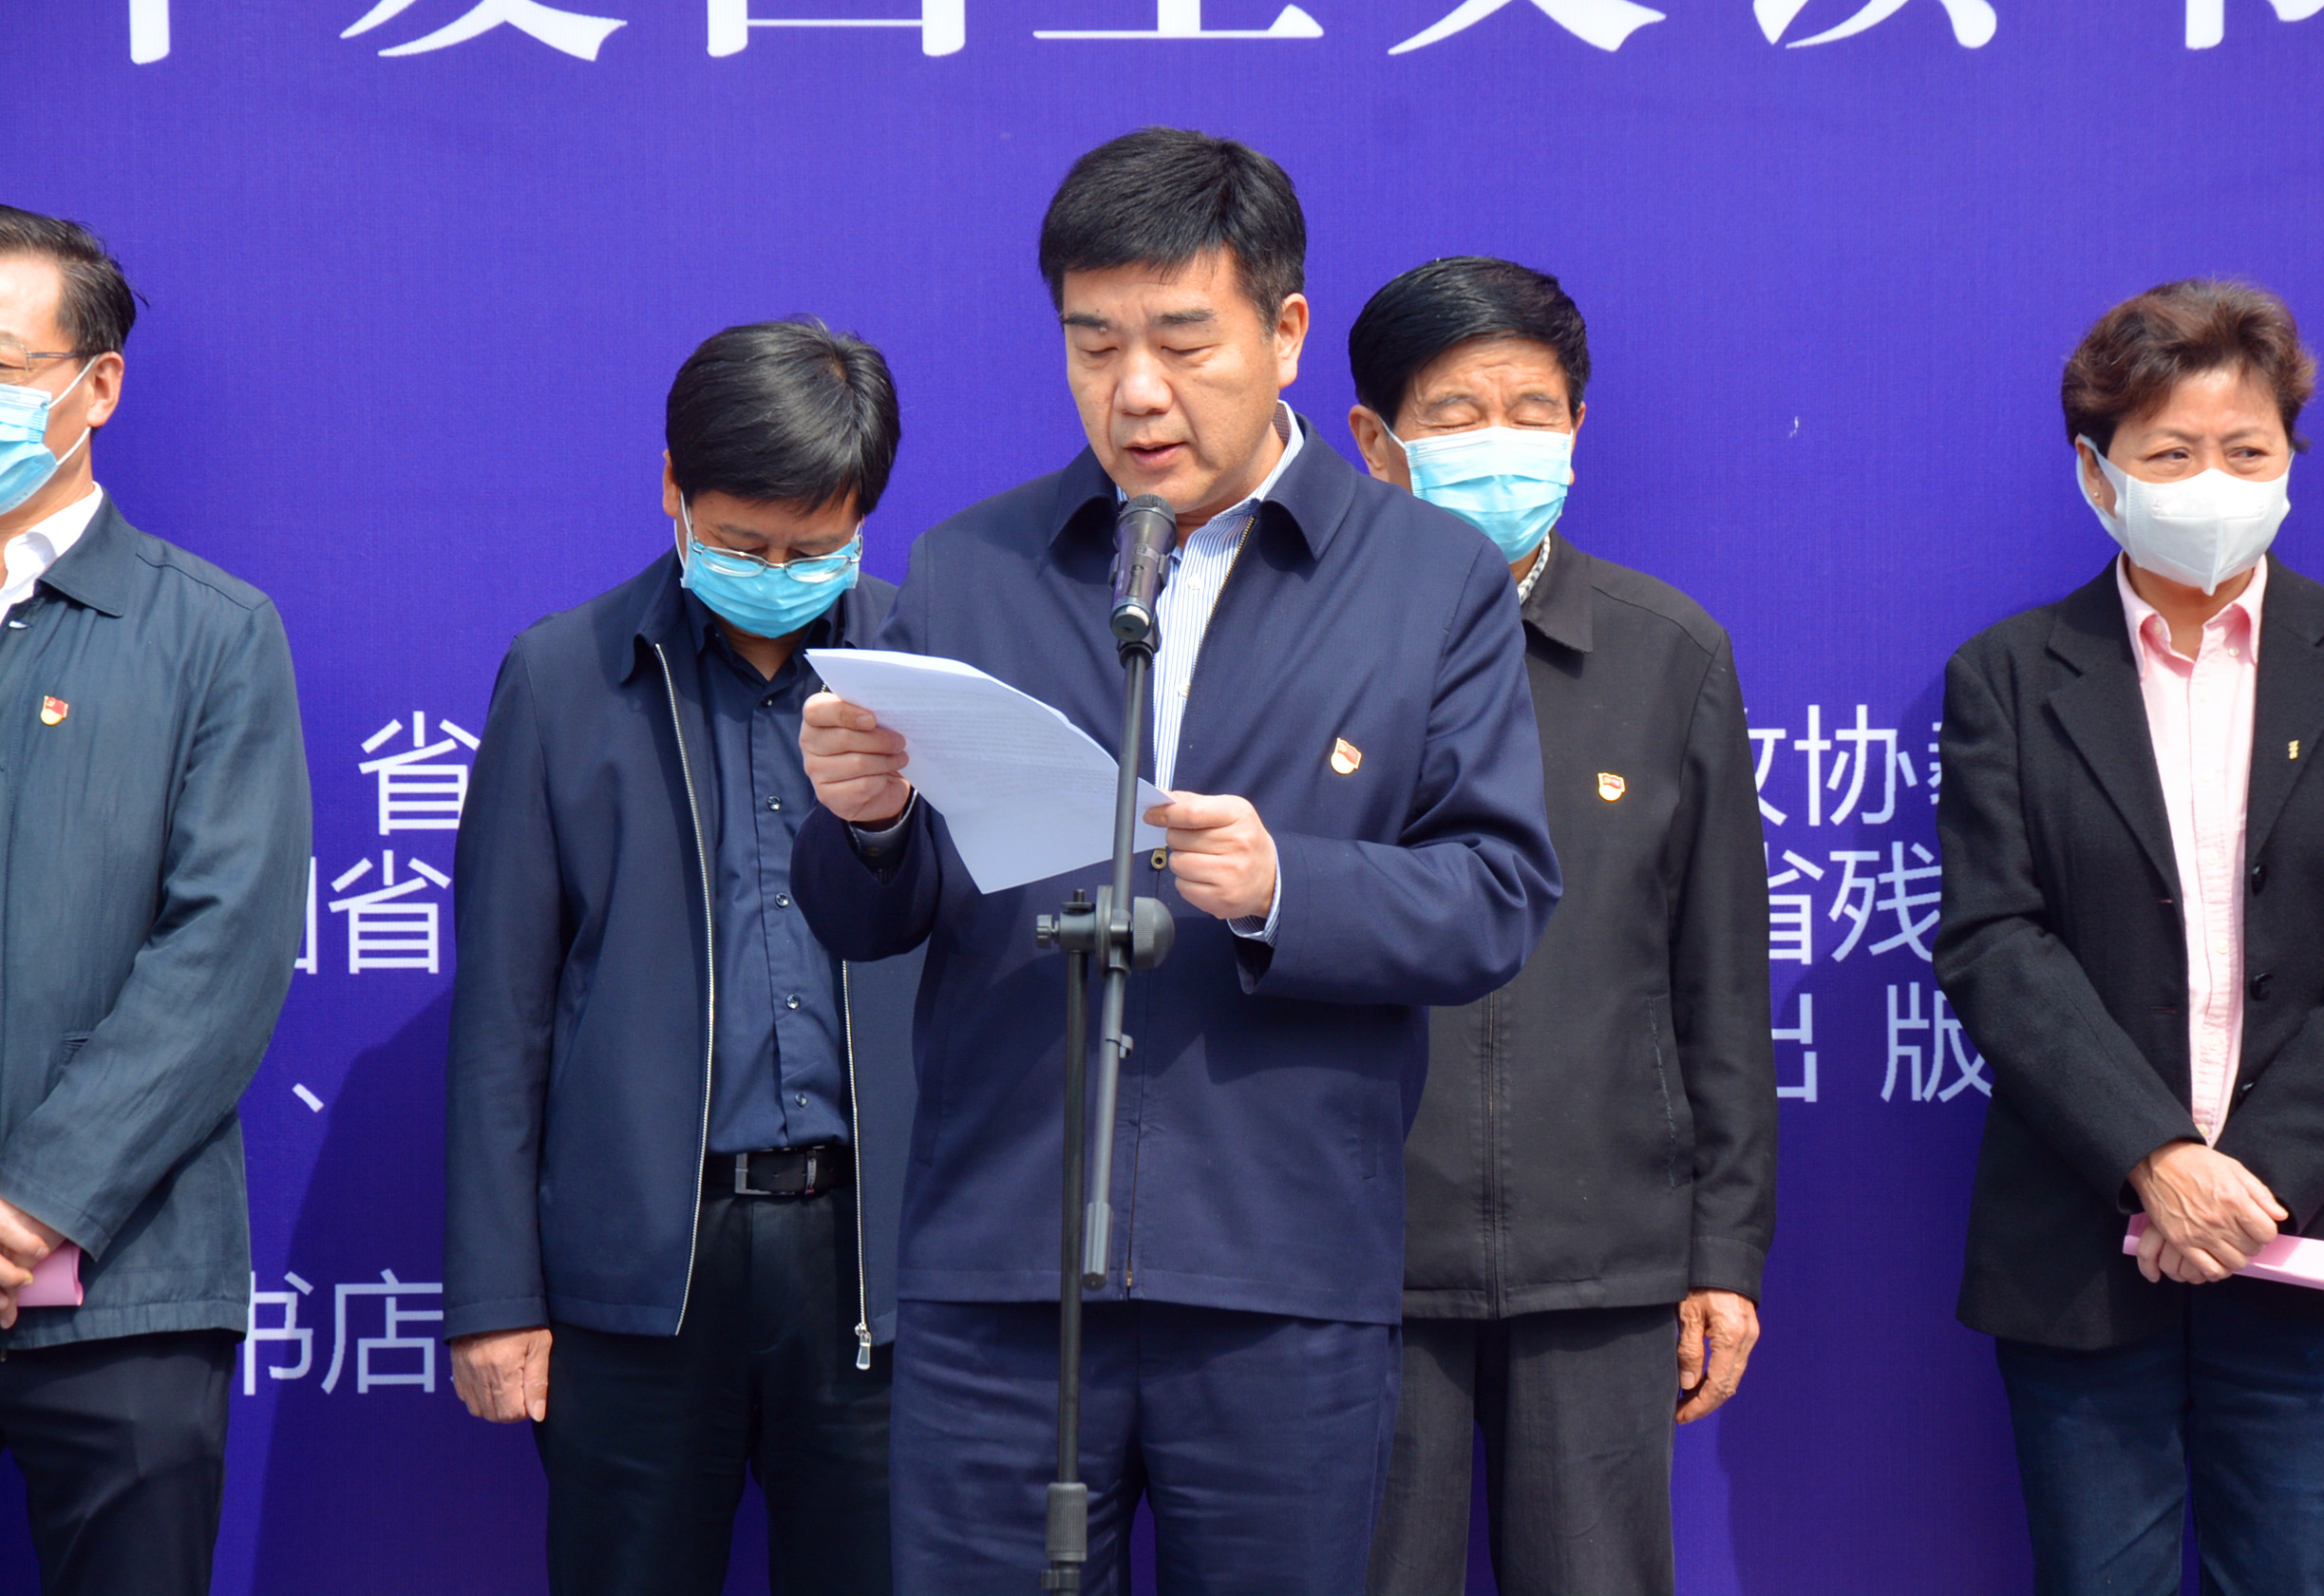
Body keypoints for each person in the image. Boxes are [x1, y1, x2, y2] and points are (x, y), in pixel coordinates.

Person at [791, 128, 1560, 1593]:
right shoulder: (972, 568)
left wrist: (1287, 887)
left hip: (1280, 1270)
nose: (1136, 390)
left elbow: (1497, 896)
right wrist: (869, 822)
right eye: (1093, 345)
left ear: (1285, 333)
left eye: (1182, 341)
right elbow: (867, 916)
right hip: (1001, 1268)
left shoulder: (1428, 580)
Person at [1933, 279, 2324, 1596]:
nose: (2213, 483)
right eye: (2171, 454)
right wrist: (2155, 1160)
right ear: (2096, 474)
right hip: (2081, 1245)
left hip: (2315, 1239)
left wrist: (2248, 1184)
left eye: (2248, 450)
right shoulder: (2008, 675)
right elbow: (1997, 941)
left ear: (2290, 462)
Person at [445, 317, 920, 1596]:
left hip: (878, 1268)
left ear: (863, 515)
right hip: (643, 1274)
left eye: (811, 550)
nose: (776, 573)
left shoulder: (924, 672)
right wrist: (494, 1298)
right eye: (743, 544)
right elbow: (504, 1016)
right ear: (673, 488)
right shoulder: (564, 678)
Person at [1342, 257, 1776, 1596]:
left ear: (1577, 427)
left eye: (1531, 411)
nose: (1500, 443)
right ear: (1375, 441)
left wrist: (1722, 1256)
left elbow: (1720, 984)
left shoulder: (1668, 652)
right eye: (1456, 414)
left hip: (1606, 1260)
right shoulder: (1302, 651)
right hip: (1359, 1258)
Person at [0, 207, 312, 1593]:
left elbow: (226, 946)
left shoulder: (210, 633)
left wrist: (33, 1208)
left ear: (97, 385)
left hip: (122, 1282)